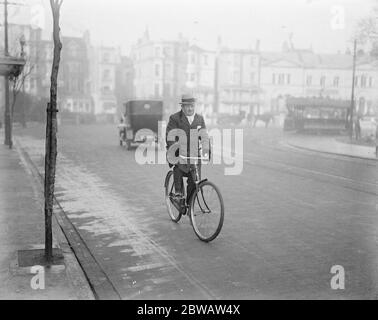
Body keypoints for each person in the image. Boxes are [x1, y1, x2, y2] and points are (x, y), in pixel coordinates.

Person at [166, 94, 210, 212]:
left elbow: (204, 136)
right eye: (187, 106)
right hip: (180, 154)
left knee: (194, 184)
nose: (190, 109)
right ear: (182, 107)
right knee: (178, 170)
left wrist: (206, 149)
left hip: (194, 157)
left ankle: (190, 205)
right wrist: (175, 150)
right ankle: (178, 195)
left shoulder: (199, 119)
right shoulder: (175, 118)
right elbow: (170, 137)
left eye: (192, 106)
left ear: (194, 106)